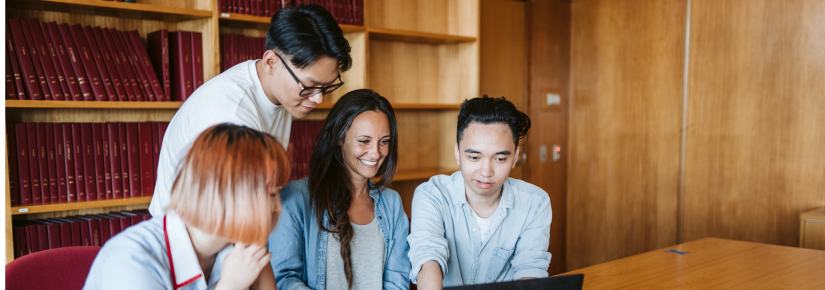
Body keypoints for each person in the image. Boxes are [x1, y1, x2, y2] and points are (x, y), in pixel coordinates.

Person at [149, 3, 351, 216]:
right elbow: (227, 213)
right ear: (271, 62)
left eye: (327, 87)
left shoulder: (278, 89)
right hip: (189, 239)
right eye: (309, 86)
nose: (318, 98)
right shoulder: (232, 116)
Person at [84, 124, 291, 290]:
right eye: (272, 194)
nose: (278, 208)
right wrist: (230, 286)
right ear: (227, 194)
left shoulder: (236, 245)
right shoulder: (130, 261)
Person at [269, 89, 411, 290]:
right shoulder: (296, 199)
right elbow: (283, 279)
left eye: (384, 142)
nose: (376, 153)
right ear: (340, 137)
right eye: (364, 141)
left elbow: (397, 282)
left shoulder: (392, 203)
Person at [408, 96, 553, 289]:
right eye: (474, 157)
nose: (486, 172)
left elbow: (530, 270)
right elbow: (428, 256)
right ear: (458, 153)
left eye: (500, 159)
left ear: (515, 156)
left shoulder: (535, 203)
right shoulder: (432, 194)